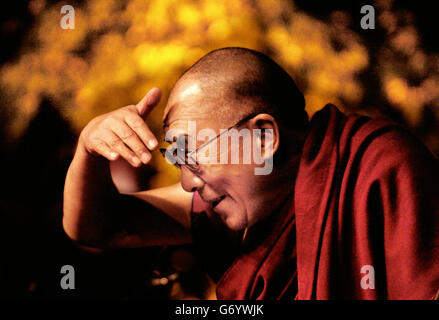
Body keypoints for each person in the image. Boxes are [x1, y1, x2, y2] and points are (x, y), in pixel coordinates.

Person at [63, 47, 439, 299]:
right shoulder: (233, 207)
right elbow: (97, 227)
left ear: (262, 137)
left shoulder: (379, 166)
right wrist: (89, 150)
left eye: (193, 155)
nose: (187, 182)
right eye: (177, 160)